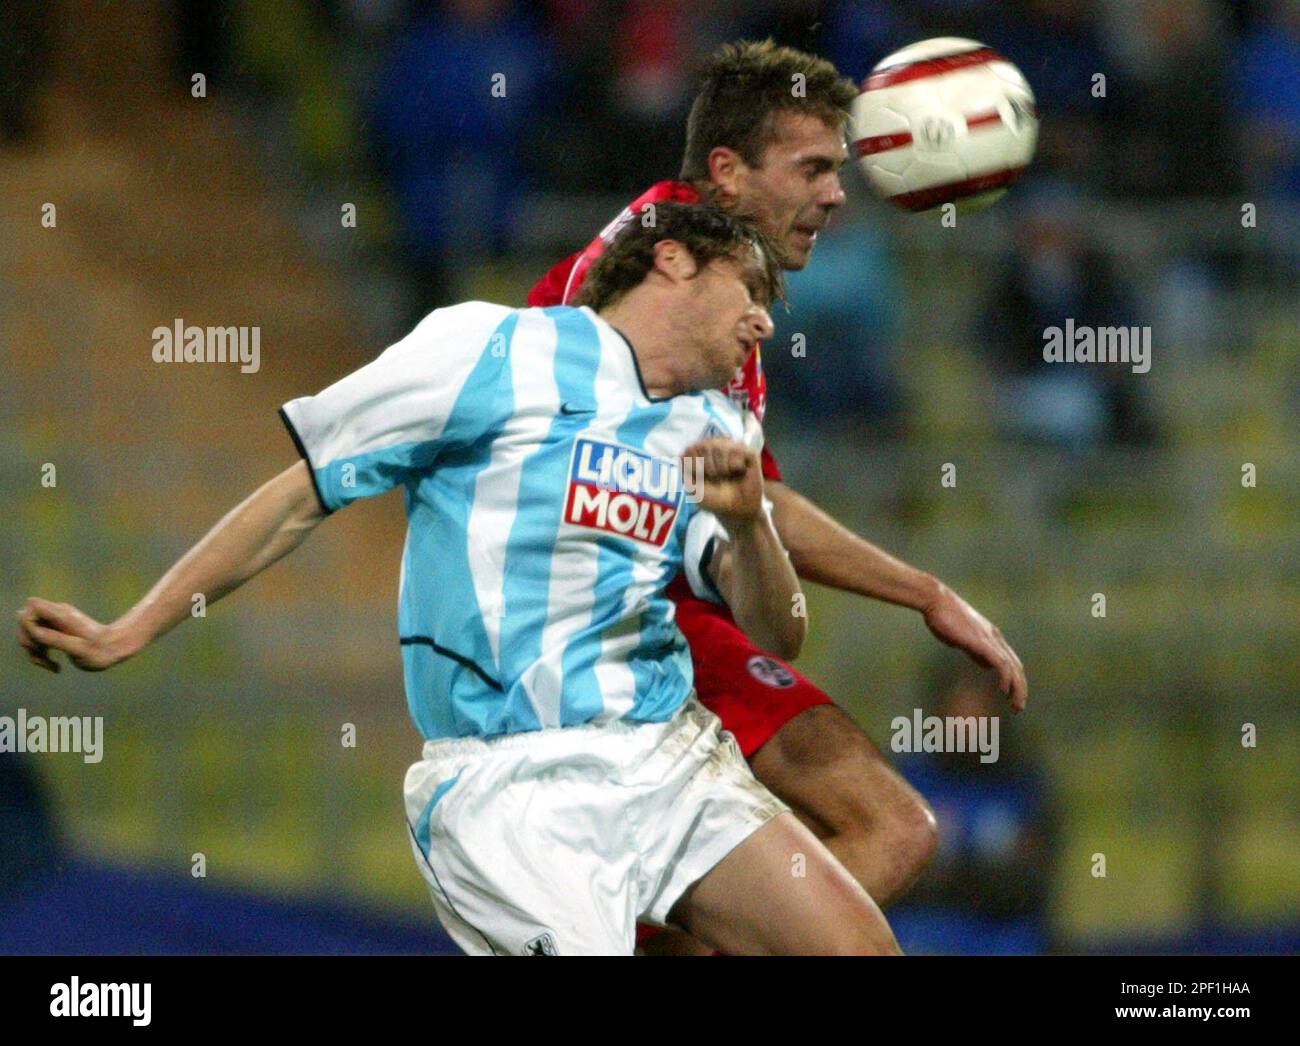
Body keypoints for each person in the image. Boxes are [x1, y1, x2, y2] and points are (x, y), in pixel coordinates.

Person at [17, 203, 900, 956]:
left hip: (670, 759)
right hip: (512, 788)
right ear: (672, 259)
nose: (764, 324)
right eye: (752, 291)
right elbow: (301, 495)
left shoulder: (712, 429)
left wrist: (750, 527)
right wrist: (129, 627)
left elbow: (777, 637)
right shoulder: (489, 348)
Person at [530, 39, 1028, 953]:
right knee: (872, 839)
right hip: (602, 635)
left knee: (896, 829)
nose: (839, 194)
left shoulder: (729, 292)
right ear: (727, 172)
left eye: (839, 169)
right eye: (814, 169)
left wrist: (925, 593)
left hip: (680, 616)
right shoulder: (635, 284)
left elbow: (752, 494)